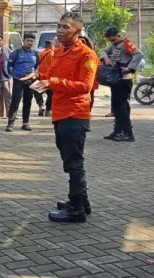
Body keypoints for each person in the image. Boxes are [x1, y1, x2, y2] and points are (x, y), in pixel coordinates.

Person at [24, 12, 98, 223]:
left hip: (75, 113)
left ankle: (76, 209)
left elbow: (85, 86)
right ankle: (81, 201)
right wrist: (39, 76)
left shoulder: (87, 55)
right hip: (60, 113)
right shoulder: (59, 52)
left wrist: (52, 82)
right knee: (69, 159)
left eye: (66, 27)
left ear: (77, 31)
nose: (60, 30)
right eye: (59, 26)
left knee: (74, 163)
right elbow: (53, 76)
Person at [101, 27, 144, 142]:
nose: (112, 42)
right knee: (116, 106)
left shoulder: (127, 44)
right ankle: (117, 131)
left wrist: (130, 68)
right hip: (116, 79)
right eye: (110, 40)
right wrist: (106, 58)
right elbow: (103, 51)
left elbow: (139, 54)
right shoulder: (113, 46)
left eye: (113, 39)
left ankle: (127, 133)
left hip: (125, 79)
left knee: (122, 107)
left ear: (119, 35)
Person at [6, 34, 39, 132]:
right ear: (23, 41)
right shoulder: (16, 53)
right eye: (28, 41)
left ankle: (25, 123)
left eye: (32, 41)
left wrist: (31, 76)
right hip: (18, 81)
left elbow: (36, 67)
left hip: (30, 81)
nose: (30, 43)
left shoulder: (35, 54)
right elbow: (10, 66)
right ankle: (10, 124)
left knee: (28, 102)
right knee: (15, 101)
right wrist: (16, 77)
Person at [37, 40, 55, 118]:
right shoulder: (54, 54)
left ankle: (41, 105)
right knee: (50, 95)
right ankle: (48, 110)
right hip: (50, 79)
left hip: (41, 77)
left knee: (37, 91)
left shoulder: (40, 54)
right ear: (51, 46)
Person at [0, 33, 13, 119]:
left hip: (6, 77)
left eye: (0, 40)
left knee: (9, 96)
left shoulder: (7, 50)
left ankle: (10, 113)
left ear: (2, 41)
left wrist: (10, 72)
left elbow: (12, 61)